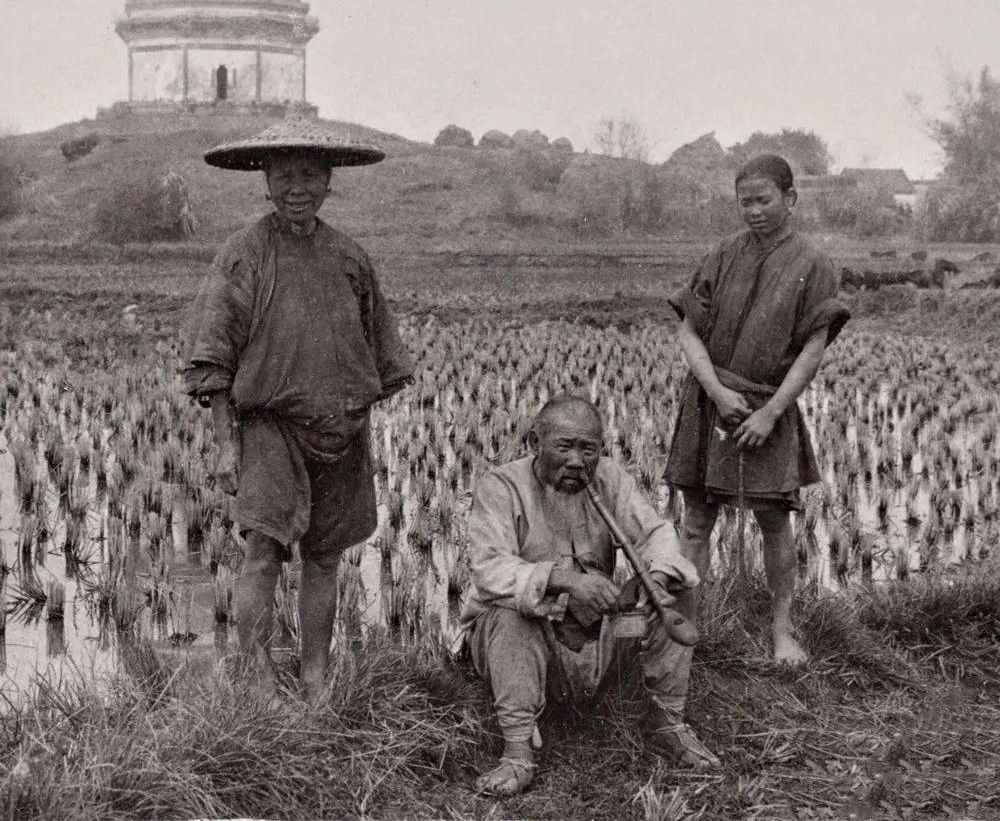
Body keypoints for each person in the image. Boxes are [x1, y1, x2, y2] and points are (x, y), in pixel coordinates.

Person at [183, 114, 414, 703]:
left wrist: (351, 406)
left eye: (310, 175)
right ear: (265, 180)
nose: (297, 188)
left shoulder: (349, 256)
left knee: (326, 556)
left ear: (329, 181)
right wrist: (224, 442)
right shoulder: (245, 254)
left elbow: (377, 347)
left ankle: (315, 675)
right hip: (270, 427)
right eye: (284, 175)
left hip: (341, 428)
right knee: (262, 550)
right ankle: (258, 680)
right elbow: (213, 353)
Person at [455, 394, 718, 798]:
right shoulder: (501, 486)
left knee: (677, 589)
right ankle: (518, 749)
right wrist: (565, 582)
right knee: (507, 614)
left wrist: (657, 576)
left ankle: (668, 722)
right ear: (533, 442)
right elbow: (489, 570)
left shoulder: (609, 479)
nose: (577, 461)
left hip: (600, 636)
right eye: (564, 447)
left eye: (588, 449)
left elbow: (656, 533)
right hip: (535, 639)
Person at [664, 153, 849, 665]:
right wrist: (717, 394)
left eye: (763, 200)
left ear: (790, 199)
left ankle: (782, 630)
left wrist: (770, 414)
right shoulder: (721, 255)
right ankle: (686, 628)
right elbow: (689, 332)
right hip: (710, 401)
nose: (753, 211)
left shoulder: (813, 264)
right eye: (744, 202)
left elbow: (813, 349)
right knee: (697, 520)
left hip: (770, 405)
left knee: (773, 520)